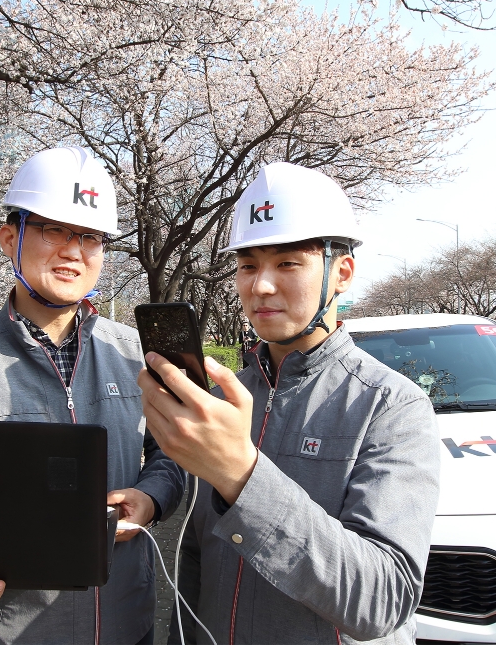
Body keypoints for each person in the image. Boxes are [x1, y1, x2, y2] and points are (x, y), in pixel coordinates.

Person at [0, 147, 185, 645]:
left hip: (128, 626)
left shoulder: (135, 353)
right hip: (5, 632)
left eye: (89, 237)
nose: (72, 251)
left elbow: (169, 454)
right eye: (53, 230)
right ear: (9, 238)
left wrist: (151, 499)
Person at [139, 163, 440, 644]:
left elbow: (383, 599)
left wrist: (240, 473)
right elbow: (193, 557)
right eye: (248, 265)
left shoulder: (391, 406)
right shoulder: (224, 398)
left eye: (287, 264)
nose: (260, 286)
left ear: (342, 273)